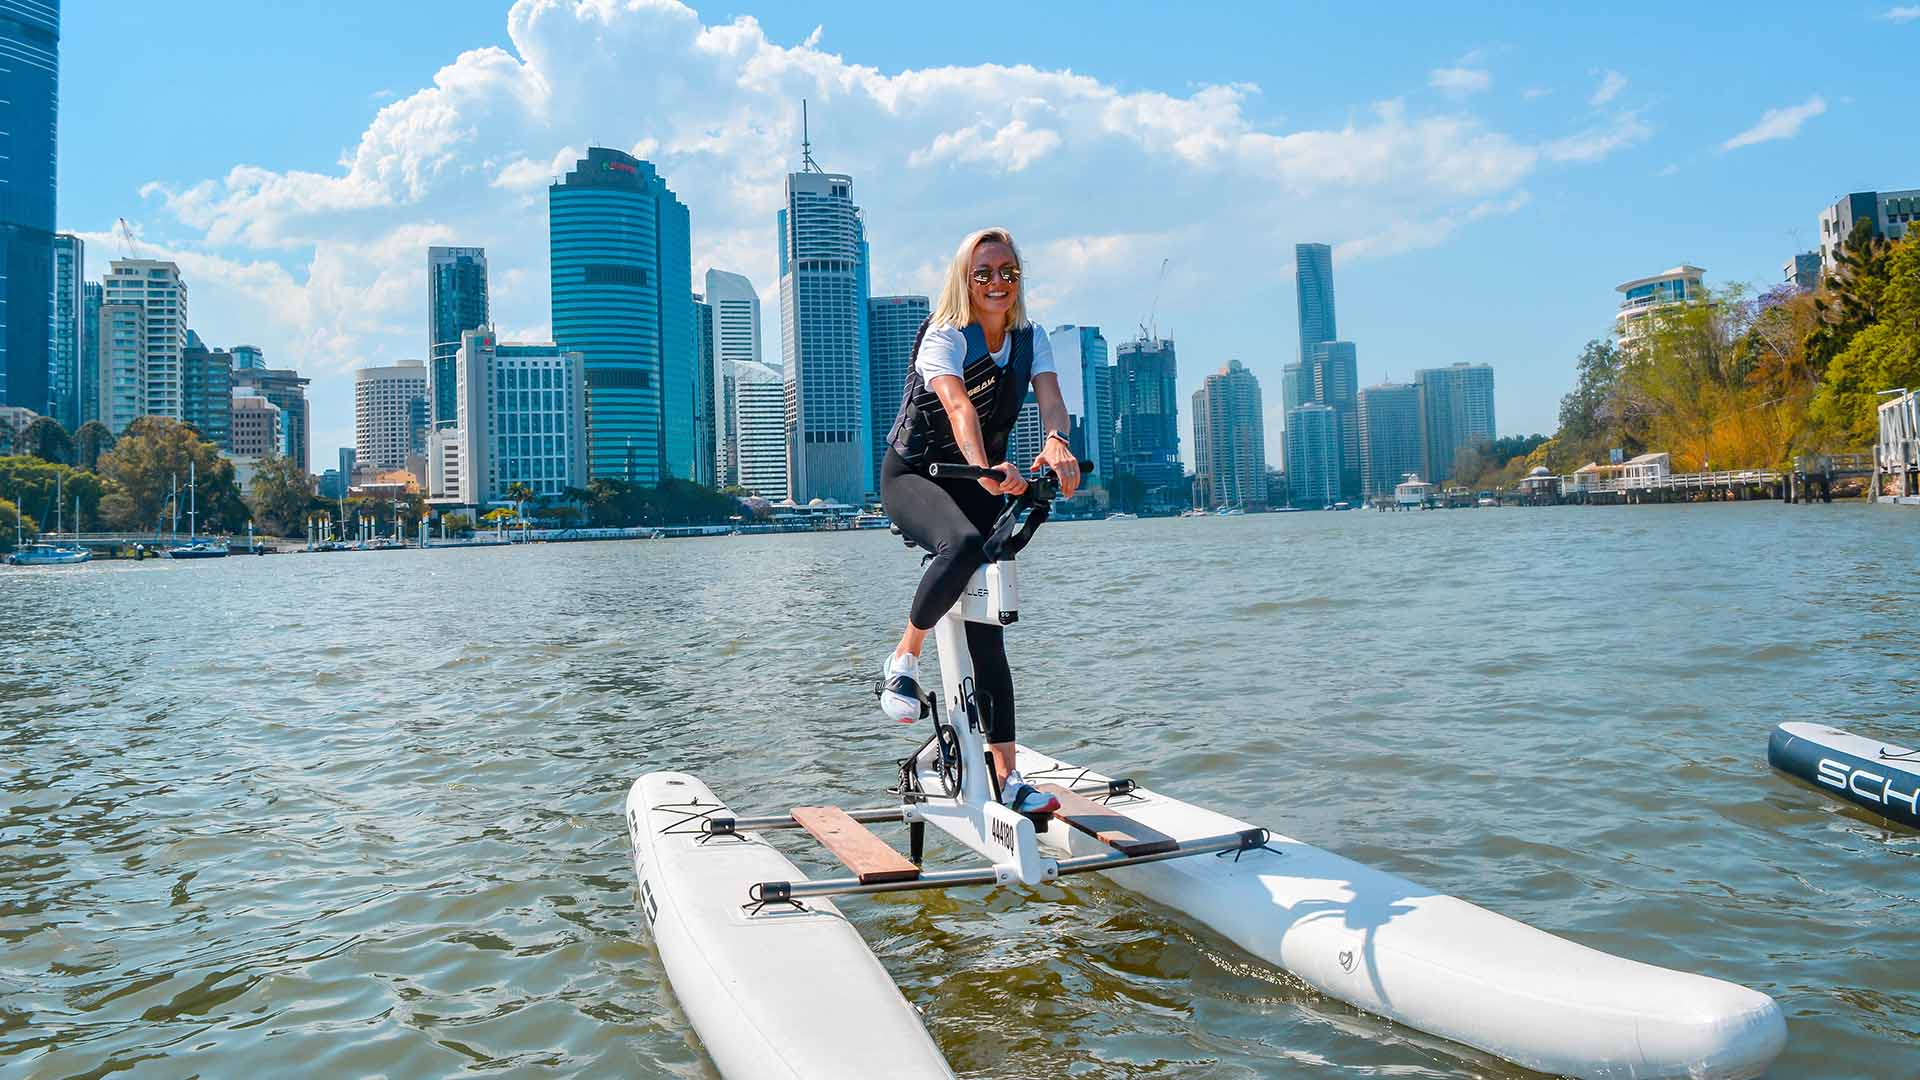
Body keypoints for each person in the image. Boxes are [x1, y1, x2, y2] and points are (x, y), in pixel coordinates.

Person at [876, 227, 1080, 815]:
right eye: (983, 272)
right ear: (965, 279)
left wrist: (1057, 442)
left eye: (1008, 272)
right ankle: (903, 660)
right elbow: (959, 405)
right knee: (962, 542)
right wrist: (985, 467)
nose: (997, 282)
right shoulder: (942, 335)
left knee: (989, 628)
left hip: (983, 475)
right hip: (916, 473)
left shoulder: (1030, 337)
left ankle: (1008, 778)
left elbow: (1051, 398)